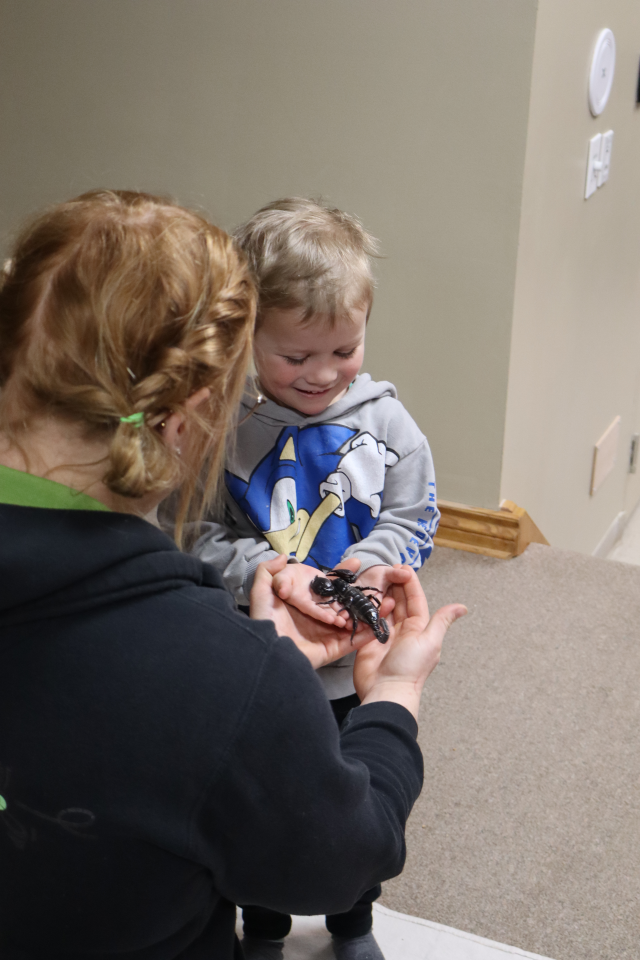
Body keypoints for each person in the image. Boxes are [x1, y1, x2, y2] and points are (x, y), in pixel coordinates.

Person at [0, 190, 465, 960]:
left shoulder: (389, 426)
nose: (322, 373)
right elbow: (344, 851)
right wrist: (397, 695)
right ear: (189, 422)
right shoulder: (231, 682)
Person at [191, 198, 441, 959]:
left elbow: (415, 516)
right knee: (254, 806)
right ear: (246, 336)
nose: (323, 374)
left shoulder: (389, 425)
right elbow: (193, 536)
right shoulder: (216, 428)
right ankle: (260, 925)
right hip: (254, 659)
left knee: (349, 801)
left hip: (353, 668)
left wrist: (366, 566)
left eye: (344, 348)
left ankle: (352, 921)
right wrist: (267, 570)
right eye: (295, 357)